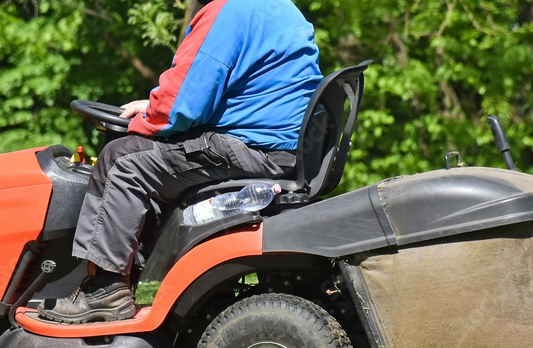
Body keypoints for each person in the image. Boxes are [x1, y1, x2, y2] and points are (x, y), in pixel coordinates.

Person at [37, 0, 322, 324]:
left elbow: (181, 106)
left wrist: (146, 118)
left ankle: (105, 289)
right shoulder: (280, 7)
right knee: (145, 156)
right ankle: (126, 279)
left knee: (121, 160)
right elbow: (231, 92)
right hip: (281, 148)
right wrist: (151, 107)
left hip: (254, 148)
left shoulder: (227, 12)